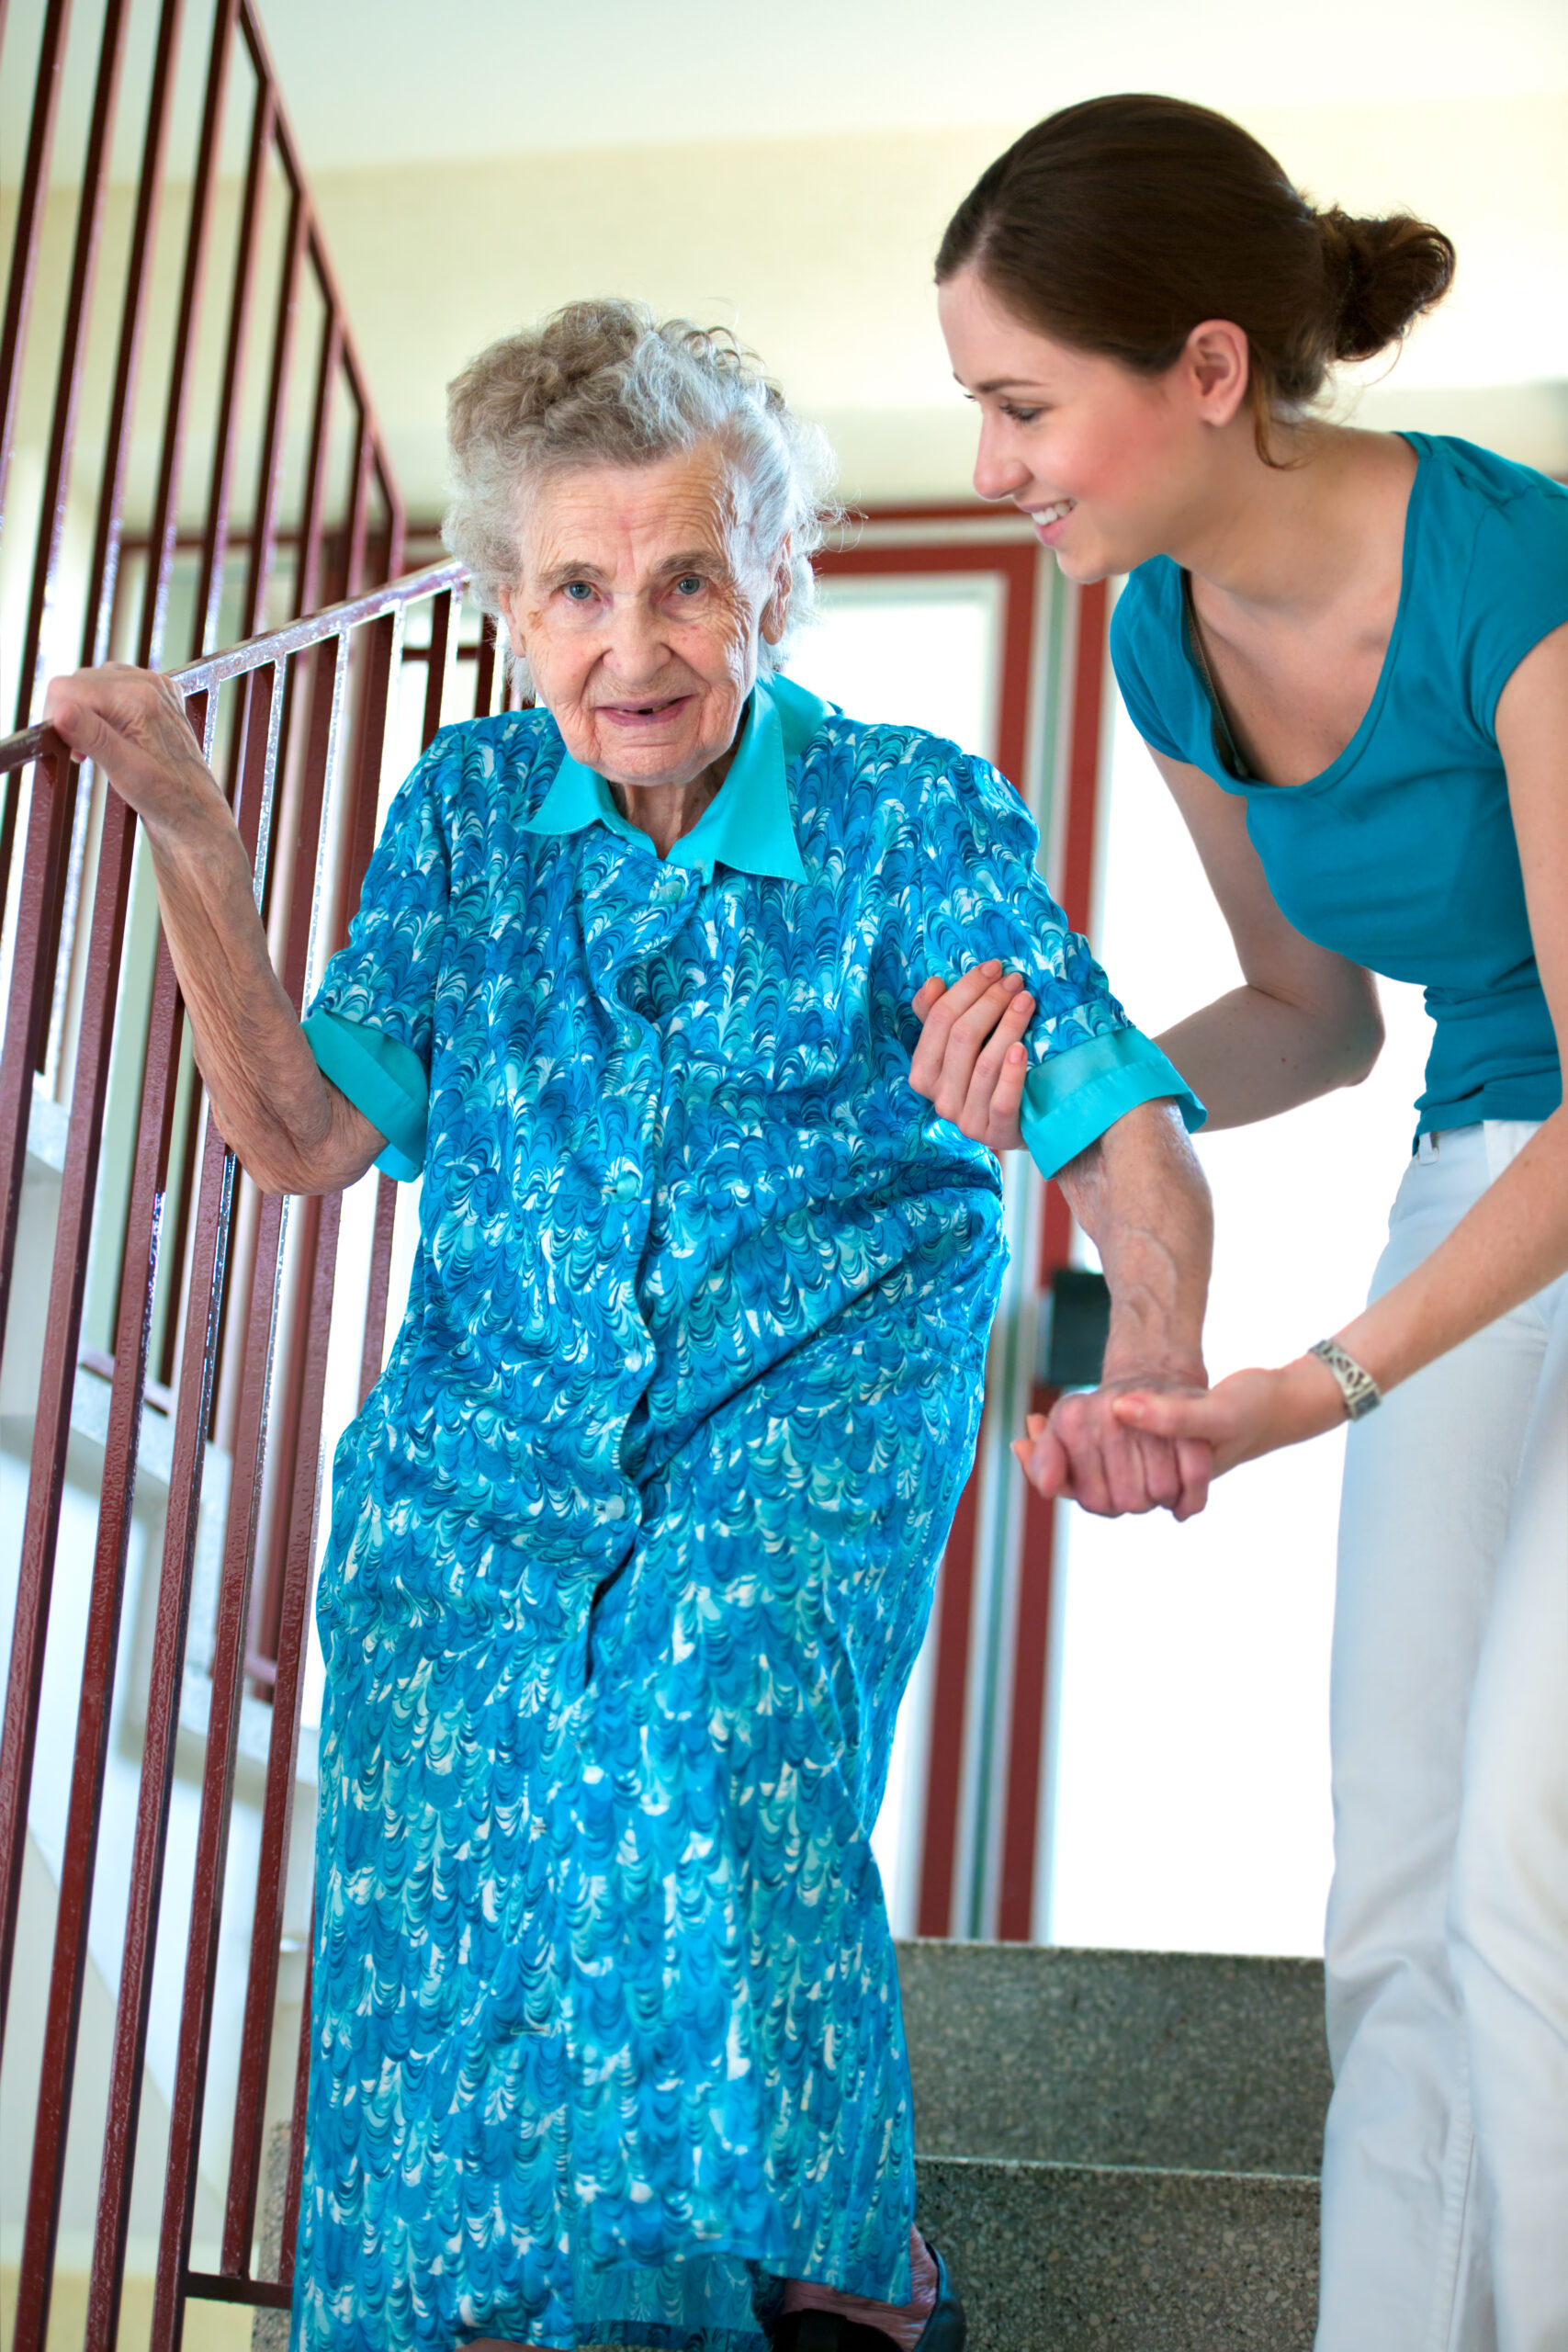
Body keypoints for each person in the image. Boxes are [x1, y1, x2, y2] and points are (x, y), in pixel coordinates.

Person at [43, 300, 1213, 2352]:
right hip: (486, 1442)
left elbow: (1115, 1121)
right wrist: (193, 835)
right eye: (577, 588)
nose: (635, 644)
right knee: (440, 1840)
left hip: (800, 1404)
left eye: (687, 578)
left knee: (697, 1708)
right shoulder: (472, 814)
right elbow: (308, 1137)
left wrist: (1153, 1364)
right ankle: (479, 2320)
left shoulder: (903, 813)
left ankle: (825, 2288)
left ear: (773, 575)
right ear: (507, 603)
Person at [912, 91, 1568, 2352]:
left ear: (1206, 370)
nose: (996, 466)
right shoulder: (1159, 642)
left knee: (1521, 1859)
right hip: (1484, 1149)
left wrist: (1311, 1378)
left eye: (1020, 407)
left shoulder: (1518, 577)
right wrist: (1091, 1089)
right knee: (1391, 1870)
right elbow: (1311, 1012)